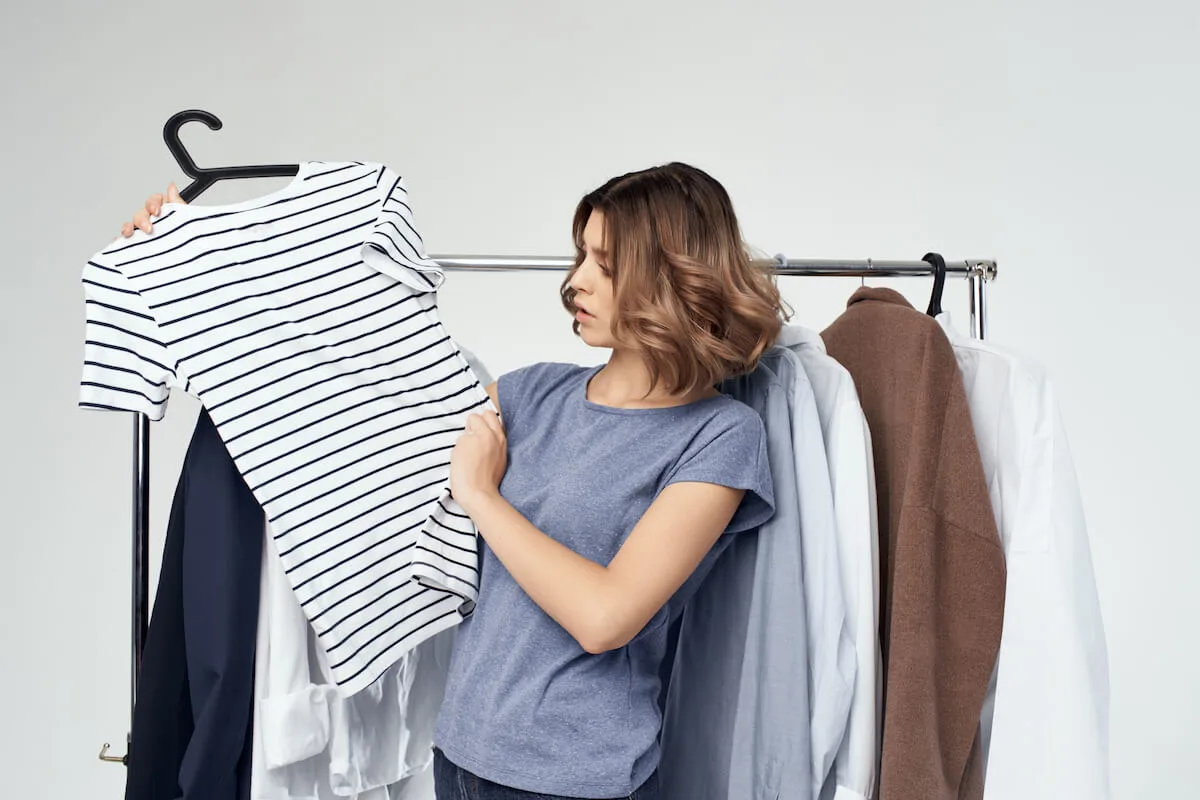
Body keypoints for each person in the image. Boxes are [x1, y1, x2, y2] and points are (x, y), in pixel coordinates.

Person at [122, 162, 787, 800]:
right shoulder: (534, 393)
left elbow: (606, 618)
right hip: (458, 759)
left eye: (605, 266)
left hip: (579, 780)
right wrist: (198, 253)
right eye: (579, 255)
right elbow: (367, 401)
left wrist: (482, 499)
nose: (576, 281)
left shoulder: (721, 437)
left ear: (670, 278)